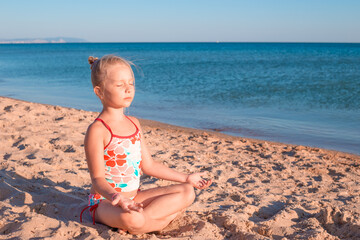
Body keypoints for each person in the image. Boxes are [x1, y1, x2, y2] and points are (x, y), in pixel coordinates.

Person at [80, 55, 212, 234]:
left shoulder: (134, 123)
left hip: (135, 197)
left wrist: (187, 177)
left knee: (187, 191)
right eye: (120, 85)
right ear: (99, 91)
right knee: (132, 218)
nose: (128, 89)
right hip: (105, 202)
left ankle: (143, 222)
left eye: (131, 83)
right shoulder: (98, 129)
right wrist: (117, 198)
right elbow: (98, 179)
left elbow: (149, 166)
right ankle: (150, 222)